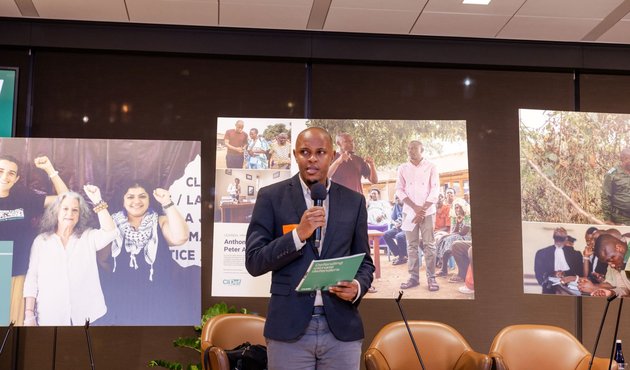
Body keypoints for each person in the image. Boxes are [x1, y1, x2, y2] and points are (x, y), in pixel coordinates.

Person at [245, 126, 375, 370]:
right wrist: (298, 235)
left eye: (320, 152)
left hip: (341, 328)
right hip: (288, 329)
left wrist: (357, 286)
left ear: (333, 155)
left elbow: (365, 261)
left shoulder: (354, 201)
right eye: (305, 152)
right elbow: (254, 261)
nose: (312, 158)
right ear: (295, 154)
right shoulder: (271, 197)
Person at [23, 185, 117, 326]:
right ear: (55, 212)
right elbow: (32, 278)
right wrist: (29, 314)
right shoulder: (41, 241)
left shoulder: (88, 236)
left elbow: (110, 233)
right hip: (51, 315)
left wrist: (97, 200)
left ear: (80, 215)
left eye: (75, 210)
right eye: (65, 209)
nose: (70, 213)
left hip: (89, 315)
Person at [102, 180, 193, 325]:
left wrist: (167, 203)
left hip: (158, 299)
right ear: (123, 200)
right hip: (121, 300)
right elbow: (101, 259)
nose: (137, 201)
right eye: (130, 197)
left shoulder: (160, 220)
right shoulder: (112, 223)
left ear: (150, 200)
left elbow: (181, 237)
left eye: (142, 196)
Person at [1, 155, 68, 326]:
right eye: (1, 171)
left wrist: (50, 170)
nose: (5, 177)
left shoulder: (23, 197)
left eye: (11, 173)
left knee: (9, 325)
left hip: (16, 271)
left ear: (16, 179)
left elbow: (66, 200)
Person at [396, 140, 440, 292]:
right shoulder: (403, 168)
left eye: (414, 148)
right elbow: (399, 190)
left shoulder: (431, 166)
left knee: (429, 244)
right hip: (409, 212)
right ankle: (413, 278)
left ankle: (431, 278)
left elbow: (435, 190)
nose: (411, 150)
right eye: (409, 148)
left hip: (427, 212)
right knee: (411, 246)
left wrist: (423, 210)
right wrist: (415, 208)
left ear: (422, 149)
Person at [534, 227, 583, 294]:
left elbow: (580, 273)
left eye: (562, 230)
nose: (559, 230)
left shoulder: (576, 254)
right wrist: (553, 274)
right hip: (550, 287)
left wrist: (565, 274)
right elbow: (539, 274)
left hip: (571, 287)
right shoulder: (542, 253)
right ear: (553, 236)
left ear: (566, 238)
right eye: (557, 230)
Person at [436, 199, 471, 278]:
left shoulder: (467, 217)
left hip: (467, 238)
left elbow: (464, 233)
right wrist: (458, 223)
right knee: (444, 239)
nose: (457, 209)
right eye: (455, 208)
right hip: (459, 236)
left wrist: (450, 235)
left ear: (463, 208)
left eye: (458, 207)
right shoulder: (457, 217)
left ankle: (457, 271)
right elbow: (455, 231)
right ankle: (443, 268)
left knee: (449, 239)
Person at [590, 233, 630, 298]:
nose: (611, 265)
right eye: (607, 262)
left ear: (618, 248)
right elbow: (624, 287)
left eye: (611, 259)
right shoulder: (617, 261)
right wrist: (611, 293)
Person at [602, 147, 630, 225]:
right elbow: (605, 196)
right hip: (620, 218)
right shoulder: (612, 174)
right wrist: (607, 219)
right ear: (623, 159)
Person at [383, 196, 407, 265]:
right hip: (398, 227)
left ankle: (403, 256)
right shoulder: (396, 206)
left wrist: (402, 224)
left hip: (407, 228)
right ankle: (399, 255)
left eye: (399, 197)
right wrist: (395, 223)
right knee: (386, 234)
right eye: (396, 198)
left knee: (399, 236)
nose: (397, 199)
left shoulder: (408, 206)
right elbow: (393, 218)